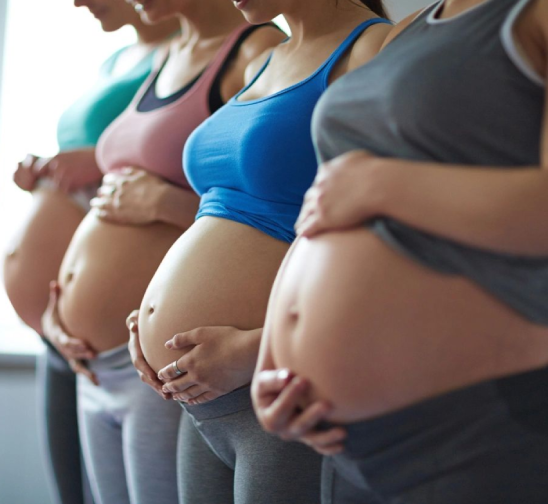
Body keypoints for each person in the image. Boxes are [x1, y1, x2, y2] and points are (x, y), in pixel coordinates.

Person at [252, 0, 548, 503]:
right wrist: (271, 362)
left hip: (481, 425)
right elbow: (325, 208)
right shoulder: (403, 34)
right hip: (343, 438)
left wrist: (381, 184)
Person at [128, 0, 391, 502]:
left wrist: (257, 349)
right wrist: (149, 315)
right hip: (200, 400)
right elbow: (216, 217)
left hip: (280, 387)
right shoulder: (261, 61)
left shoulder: (374, 50)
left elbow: (388, 247)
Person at [42, 0, 283, 502]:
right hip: (102, 356)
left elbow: (263, 200)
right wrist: (59, 310)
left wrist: (164, 202)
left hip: (173, 363)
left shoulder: (257, 48)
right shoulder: (163, 56)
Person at [3, 2, 178, 503]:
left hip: (122, 339)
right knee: (71, 491)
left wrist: (98, 161)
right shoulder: (117, 58)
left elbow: (158, 165)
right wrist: (44, 170)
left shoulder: (192, 56)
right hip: (60, 327)